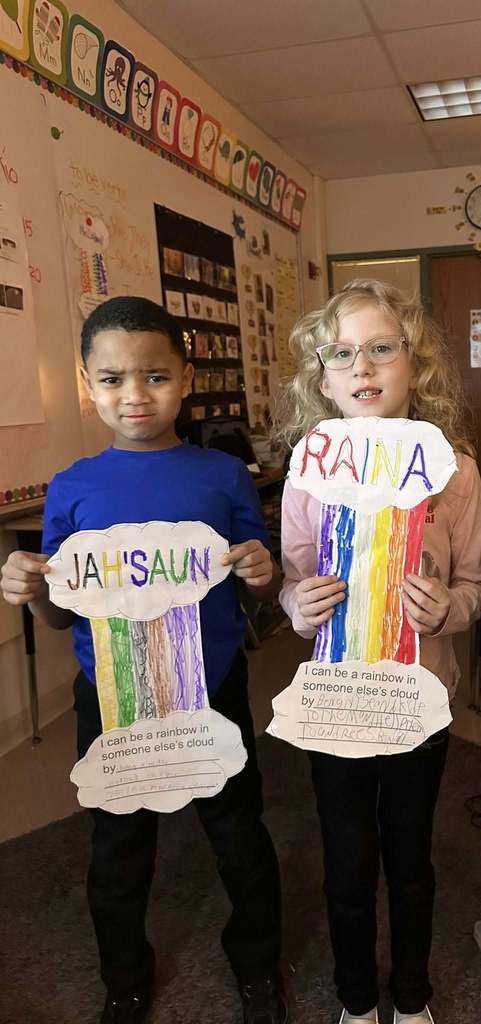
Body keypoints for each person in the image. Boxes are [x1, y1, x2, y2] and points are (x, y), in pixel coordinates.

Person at [0, 297, 287, 1024]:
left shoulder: (222, 475)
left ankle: (257, 966)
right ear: (88, 384)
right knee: (119, 847)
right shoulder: (73, 487)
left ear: (185, 378)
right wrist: (32, 590)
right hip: (113, 697)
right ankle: (125, 979)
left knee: (238, 837)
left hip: (210, 685)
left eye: (155, 375)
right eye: (113, 379)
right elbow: (64, 609)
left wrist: (264, 572)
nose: (134, 395)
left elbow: (259, 586)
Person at [274, 280, 481, 1024]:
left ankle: (412, 994)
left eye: (380, 348)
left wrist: (450, 610)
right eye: (341, 353)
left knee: (409, 857)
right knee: (346, 857)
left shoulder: (452, 467)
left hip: (416, 698)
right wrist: (294, 604)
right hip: (334, 702)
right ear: (323, 376)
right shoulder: (308, 468)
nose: (362, 366)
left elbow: (474, 585)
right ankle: (357, 999)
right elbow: (293, 585)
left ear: (413, 362)